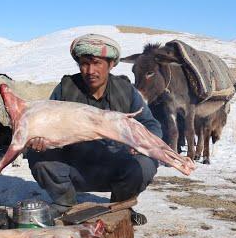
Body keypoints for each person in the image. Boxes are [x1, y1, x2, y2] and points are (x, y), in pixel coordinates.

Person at [26, 33, 163, 225]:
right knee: (37, 156)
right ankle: (65, 204)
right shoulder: (66, 88)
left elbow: (151, 124)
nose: (90, 70)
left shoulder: (126, 90)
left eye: (97, 63)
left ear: (111, 64)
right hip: (73, 166)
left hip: (115, 165)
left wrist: (142, 143)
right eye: (84, 63)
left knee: (147, 161)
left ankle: (120, 206)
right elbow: (45, 122)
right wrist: (38, 138)